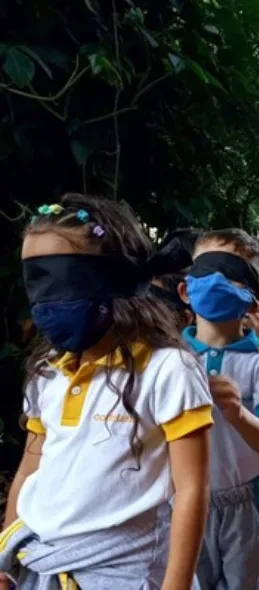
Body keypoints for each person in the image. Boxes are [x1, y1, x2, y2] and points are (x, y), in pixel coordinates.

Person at [2, 195, 212, 589]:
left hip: (126, 574)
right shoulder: (48, 371)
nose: (48, 301)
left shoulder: (169, 369)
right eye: (37, 281)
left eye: (63, 279)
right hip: (41, 565)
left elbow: (191, 489)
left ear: (114, 278)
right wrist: (4, 561)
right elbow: (31, 469)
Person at [181, 229, 259, 590]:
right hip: (182, 503)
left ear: (253, 302)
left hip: (248, 505)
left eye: (231, 273)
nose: (217, 280)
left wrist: (236, 412)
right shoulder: (170, 361)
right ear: (184, 290)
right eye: (207, 269)